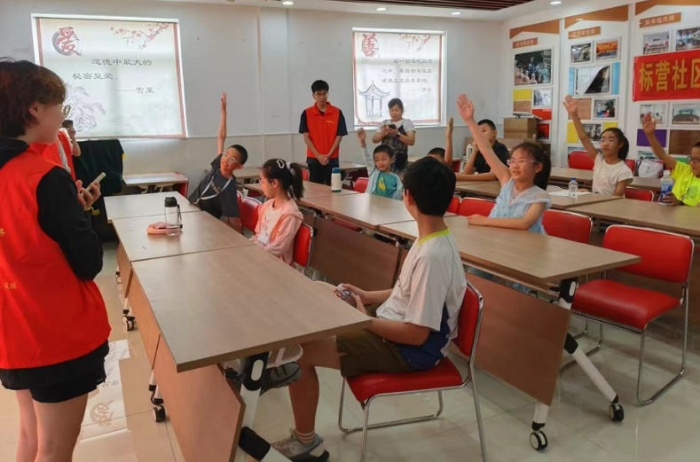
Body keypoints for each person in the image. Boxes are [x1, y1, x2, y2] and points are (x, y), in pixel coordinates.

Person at [271, 157, 464, 461]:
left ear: (407, 197)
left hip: (410, 351)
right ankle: (273, 360)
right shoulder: (432, 238)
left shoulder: (432, 255)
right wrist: (366, 296)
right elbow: (407, 292)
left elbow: (415, 335)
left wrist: (364, 321)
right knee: (320, 290)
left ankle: (306, 442)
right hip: (391, 326)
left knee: (301, 353)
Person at [0, 59, 110, 462]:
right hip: (53, 334)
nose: (61, 117)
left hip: (12, 329)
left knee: (30, 436)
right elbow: (88, 262)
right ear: (34, 109)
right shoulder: (43, 177)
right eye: (58, 107)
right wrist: (81, 216)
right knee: (55, 450)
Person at [457, 94, 551, 233]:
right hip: (498, 238)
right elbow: (486, 149)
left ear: (537, 167)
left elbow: (524, 223)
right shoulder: (507, 181)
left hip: (524, 244)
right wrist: (470, 121)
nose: (515, 166)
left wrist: (485, 221)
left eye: (521, 161)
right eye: (512, 161)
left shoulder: (539, 196)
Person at [188, 93, 248, 232]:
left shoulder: (229, 187)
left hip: (205, 223)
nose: (226, 159)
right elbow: (221, 137)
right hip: (191, 208)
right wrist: (223, 112)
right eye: (226, 154)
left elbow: (234, 221)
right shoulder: (217, 165)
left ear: (239, 166)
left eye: (232, 159)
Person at [563, 95, 632, 196]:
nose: (605, 143)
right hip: (595, 201)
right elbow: (583, 138)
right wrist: (574, 115)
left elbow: (615, 198)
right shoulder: (599, 160)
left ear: (620, 144)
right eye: (603, 140)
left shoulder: (624, 170)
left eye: (611, 140)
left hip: (612, 205)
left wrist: (592, 196)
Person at [251, 159, 305, 264]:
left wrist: (254, 254)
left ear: (274, 183)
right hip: (261, 257)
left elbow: (278, 248)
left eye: (262, 181)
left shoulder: (290, 213)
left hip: (277, 265)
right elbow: (258, 235)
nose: (260, 184)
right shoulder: (267, 205)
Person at [642, 114, 700, 207]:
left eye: (697, 160)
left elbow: (696, 212)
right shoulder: (686, 169)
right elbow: (662, 155)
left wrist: (679, 203)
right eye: (691, 159)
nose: (692, 163)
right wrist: (650, 135)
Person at [299, 80, 348, 185]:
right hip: (314, 158)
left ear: (327, 94)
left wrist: (328, 155)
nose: (322, 97)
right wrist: (318, 156)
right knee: (315, 189)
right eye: (318, 94)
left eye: (324, 93)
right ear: (313, 95)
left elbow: (339, 136)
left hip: (332, 158)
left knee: (334, 187)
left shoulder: (337, 112)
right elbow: (306, 137)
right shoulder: (306, 113)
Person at [372, 98, 416, 175]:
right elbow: (374, 140)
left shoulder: (407, 123)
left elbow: (411, 141)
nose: (394, 113)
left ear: (402, 110)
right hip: (385, 160)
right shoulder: (384, 123)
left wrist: (397, 134)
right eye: (392, 110)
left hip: (400, 160)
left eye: (397, 110)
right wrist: (383, 134)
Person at [357, 128, 403, 200]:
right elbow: (367, 158)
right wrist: (363, 142)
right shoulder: (373, 171)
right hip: (371, 204)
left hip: (388, 205)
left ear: (392, 160)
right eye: (377, 160)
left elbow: (399, 195)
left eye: (384, 159)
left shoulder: (395, 178)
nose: (380, 162)